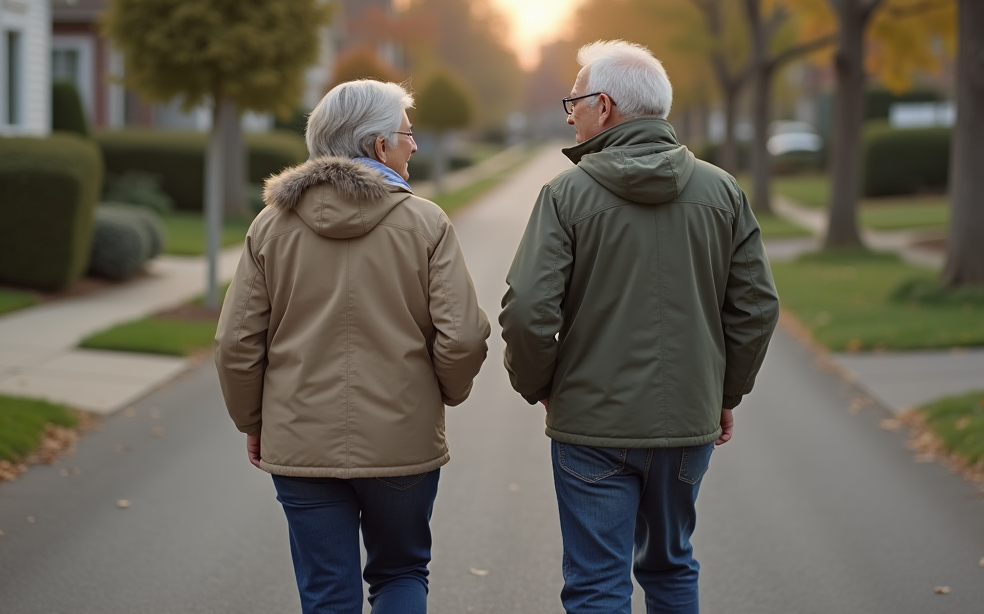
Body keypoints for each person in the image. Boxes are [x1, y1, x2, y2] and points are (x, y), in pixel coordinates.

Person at [500, 40, 779, 613]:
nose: (570, 113)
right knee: (672, 566)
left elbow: (529, 310)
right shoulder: (722, 191)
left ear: (603, 107)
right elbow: (756, 307)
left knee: (597, 582)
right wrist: (724, 392)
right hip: (687, 420)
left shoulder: (565, 195)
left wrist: (542, 387)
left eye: (573, 101)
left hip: (592, 425)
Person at [215, 79, 490, 614]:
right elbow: (463, 335)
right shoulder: (426, 223)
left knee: (327, 593)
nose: (415, 146)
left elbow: (235, 342)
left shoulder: (270, 227)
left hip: (300, 440)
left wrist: (254, 420)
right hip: (401, 439)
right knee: (401, 573)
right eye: (408, 135)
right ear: (378, 147)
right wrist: (443, 396)